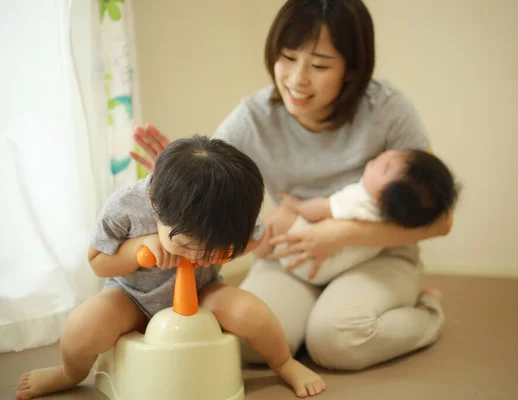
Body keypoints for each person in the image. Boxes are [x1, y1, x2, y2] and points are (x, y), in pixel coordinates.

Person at [130, 0, 454, 371]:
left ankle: (427, 312)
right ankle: (313, 313)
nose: (297, 79)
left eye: (319, 65)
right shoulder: (253, 118)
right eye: (287, 57)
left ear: (352, 69)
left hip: (378, 253)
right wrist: (181, 177)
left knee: (335, 342)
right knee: (251, 344)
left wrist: (337, 233)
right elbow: (212, 186)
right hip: (292, 252)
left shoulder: (388, 109)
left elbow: (441, 220)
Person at [15, 135, 326, 400]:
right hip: (132, 295)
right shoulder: (125, 207)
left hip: (204, 290)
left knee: (251, 312)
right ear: (154, 202)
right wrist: (139, 249)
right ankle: (70, 373)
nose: (201, 254)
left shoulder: (231, 209)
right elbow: (98, 262)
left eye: (211, 247)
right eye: (190, 245)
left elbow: (254, 239)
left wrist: (227, 253)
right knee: (83, 326)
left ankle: (283, 362)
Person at [253, 149, 460, 285]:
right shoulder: (389, 215)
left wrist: (295, 204)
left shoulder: (360, 202)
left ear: (382, 200)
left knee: (277, 218)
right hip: (333, 263)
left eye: (386, 167)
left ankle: (257, 252)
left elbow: (320, 209)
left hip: (319, 263)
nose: (383, 156)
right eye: (392, 153)